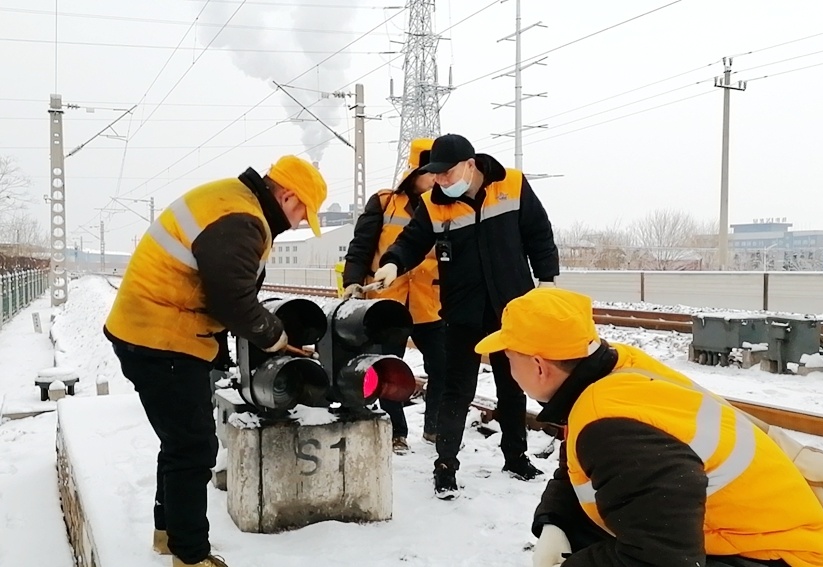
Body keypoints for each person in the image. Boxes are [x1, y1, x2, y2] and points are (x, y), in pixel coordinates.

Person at [474, 287, 823, 567]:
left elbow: (660, 559)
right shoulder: (613, 370)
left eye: (509, 358)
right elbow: (582, 470)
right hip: (749, 534)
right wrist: (557, 521)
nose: (507, 368)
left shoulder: (610, 426)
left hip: (776, 556)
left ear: (539, 366)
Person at [104, 156, 327, 567]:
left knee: (179, 441)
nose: (297, 223)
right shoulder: (243, 218)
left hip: (150, 331)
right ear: (288, 195)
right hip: (163, 338)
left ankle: (167, 533)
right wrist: (275, 337)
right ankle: (189, 556)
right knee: (193, 447)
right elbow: (232, 301)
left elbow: (224, 290)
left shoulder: (232, 199)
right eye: (301, 213)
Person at [373, 133, 560, 499]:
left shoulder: (513, 185)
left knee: (512, 385)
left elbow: (538, 233)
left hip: (512, 307)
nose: (441, 180)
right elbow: (411, 241)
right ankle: (445, 465)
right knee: (457, 390)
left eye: (447, 172)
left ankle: (516, 455)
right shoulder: (433, 204)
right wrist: (393, 263)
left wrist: (548, 278)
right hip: (462, 312)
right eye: (436, 174)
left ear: (470, 165)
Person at [341, 138, 446, 454]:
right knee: (389, 367)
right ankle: (396, 431)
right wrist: (352, 281)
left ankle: (436, 427)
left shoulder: (445, 208)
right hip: (389, 304)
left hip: (431, 304)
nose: (437, 181)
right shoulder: (384, 203)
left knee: (443, 366)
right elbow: (361, 246)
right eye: (432, 174)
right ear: (415, 172)